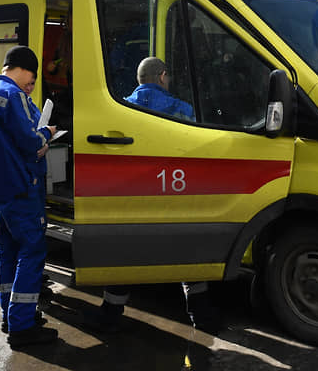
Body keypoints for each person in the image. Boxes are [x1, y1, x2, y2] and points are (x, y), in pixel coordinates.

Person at [84, 58, 219, 334]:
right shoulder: (181, 109)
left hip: (133, 195)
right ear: (163, 76)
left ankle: (110, 313)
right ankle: (201, 315)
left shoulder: (120, 108)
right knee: (188, 252)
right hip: (172, 190)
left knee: (124, 254)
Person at [0, 45, 59, 348]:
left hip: (0, 186)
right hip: (24, 186)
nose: (31, 86)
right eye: (32, 79)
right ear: (23, 68)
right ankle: (22, 327)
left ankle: (10, 316)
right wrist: (46, 134)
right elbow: (29, 139)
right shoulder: (13, 96)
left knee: (9, 252)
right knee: (32, 251)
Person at [123, 57, 194, 120]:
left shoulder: (123, 105)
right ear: (162, 77)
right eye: (168, 77)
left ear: (138, 78)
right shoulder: (182, 108)